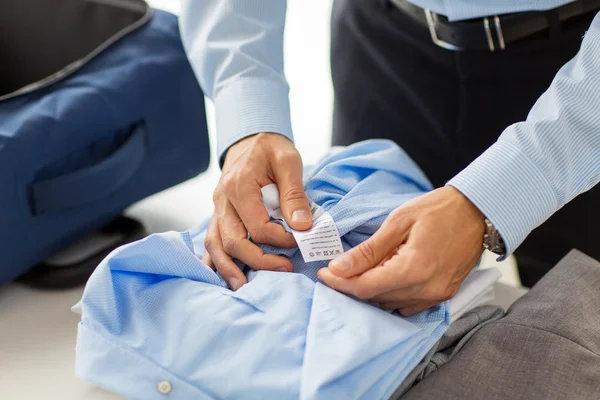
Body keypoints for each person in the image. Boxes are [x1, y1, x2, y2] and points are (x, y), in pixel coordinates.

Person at [179, 0, 600, 316]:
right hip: (382, 51)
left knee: (583, 326)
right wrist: (249, 116)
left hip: (581, 80)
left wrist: (501, 193)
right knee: (370, 301)